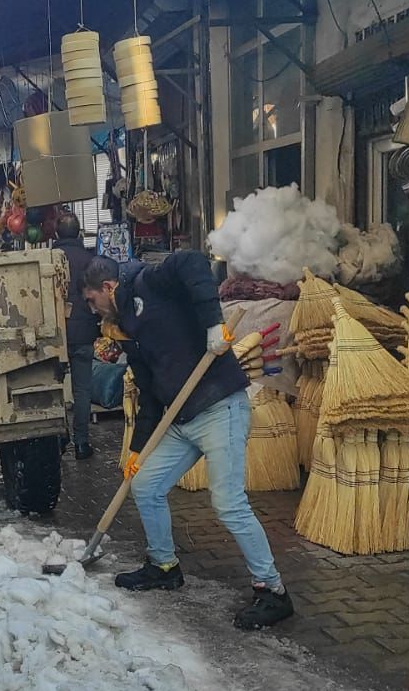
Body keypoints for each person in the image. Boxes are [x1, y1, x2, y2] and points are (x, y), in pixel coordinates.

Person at [81, 253, 294, 630]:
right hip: (182, 419)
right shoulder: (128, 329)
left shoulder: (150, 283)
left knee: (228, 503)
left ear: (108, 288)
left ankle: (272, 590)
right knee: (145, 485)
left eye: (90, 300)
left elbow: (192, 263)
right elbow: (148, 397)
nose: (91, 310)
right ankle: (164, 566)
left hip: (219, 407)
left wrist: (215, 324)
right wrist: (135, 451)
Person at [54, 211, 99, 460]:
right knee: (82, 390)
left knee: (55, 389)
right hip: (83, 333)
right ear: (80, 232)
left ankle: (59, 439)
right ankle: (82, 444)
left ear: (57, 234)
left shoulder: (50, 258)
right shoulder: (90, 260)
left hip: (55, 335)